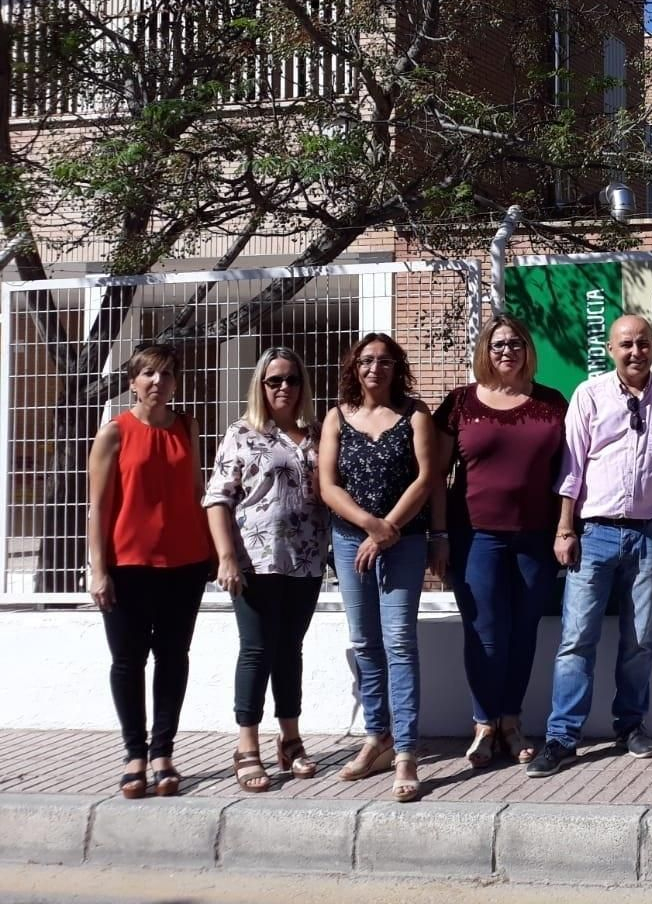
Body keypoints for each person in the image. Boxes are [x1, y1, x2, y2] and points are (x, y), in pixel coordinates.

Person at [527, 314, 652, 778]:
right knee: (576, 639)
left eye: (643, 343)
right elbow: (572, 469)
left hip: (651, 534)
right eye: (626, 344)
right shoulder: (590, 396)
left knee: (640, 638)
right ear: (611, 349)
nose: (635, 352)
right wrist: (564, 530)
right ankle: (562, 737)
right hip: (594, 534)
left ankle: (631, 726)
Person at [434, 314, 567, 768]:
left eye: (513, 343)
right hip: (475, 537)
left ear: (527, 349)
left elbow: (569, 474)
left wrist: (567, 528)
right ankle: (483, 724)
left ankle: (511, 721)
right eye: (496, 345)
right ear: (484, 353)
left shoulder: (552, 403)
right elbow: (435, 476)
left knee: (524, 632)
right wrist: (438, 535)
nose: (506, 351)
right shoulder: (459, 403)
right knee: (485, 633)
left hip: (536, 537)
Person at [86, 342, 216, 799]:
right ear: (132, 382)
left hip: (185, 562)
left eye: (166, 375)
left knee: (173, 658)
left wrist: (215, 550)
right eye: (148, 375)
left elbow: (197, 489)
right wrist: (97, 569)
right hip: (127, 565)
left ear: (176, 383)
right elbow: (97, 505)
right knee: (127, 661)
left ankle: (163, 752)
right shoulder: (114, 432)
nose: (157, 382)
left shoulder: (188, 426)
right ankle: (134, 755)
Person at [318, 333, 439, 803]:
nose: (375, 368)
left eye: (385, 361)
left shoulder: (416, 414)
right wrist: (369, 526)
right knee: (366, 642)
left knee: (400, 643)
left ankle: (406, 751)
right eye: (367, 361)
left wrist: (388, 528)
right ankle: (378, 737)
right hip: (351, 541)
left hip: (404, 542)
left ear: (396, 367)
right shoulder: (336, 417)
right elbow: (327, 485)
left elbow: (428, 478)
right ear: (355, 367)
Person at [204, 346, 330, 793]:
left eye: (291, 379)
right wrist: (226, 557)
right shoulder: (243, 432)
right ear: (260, 385)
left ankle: (290, 739)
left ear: (302, 385)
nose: (283, 387)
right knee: (257, 649)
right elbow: (218, 497)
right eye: (273, 380)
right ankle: (247, 746)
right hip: (255, 562)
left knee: (290, 649)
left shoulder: (316, 433)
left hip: (307, 559)